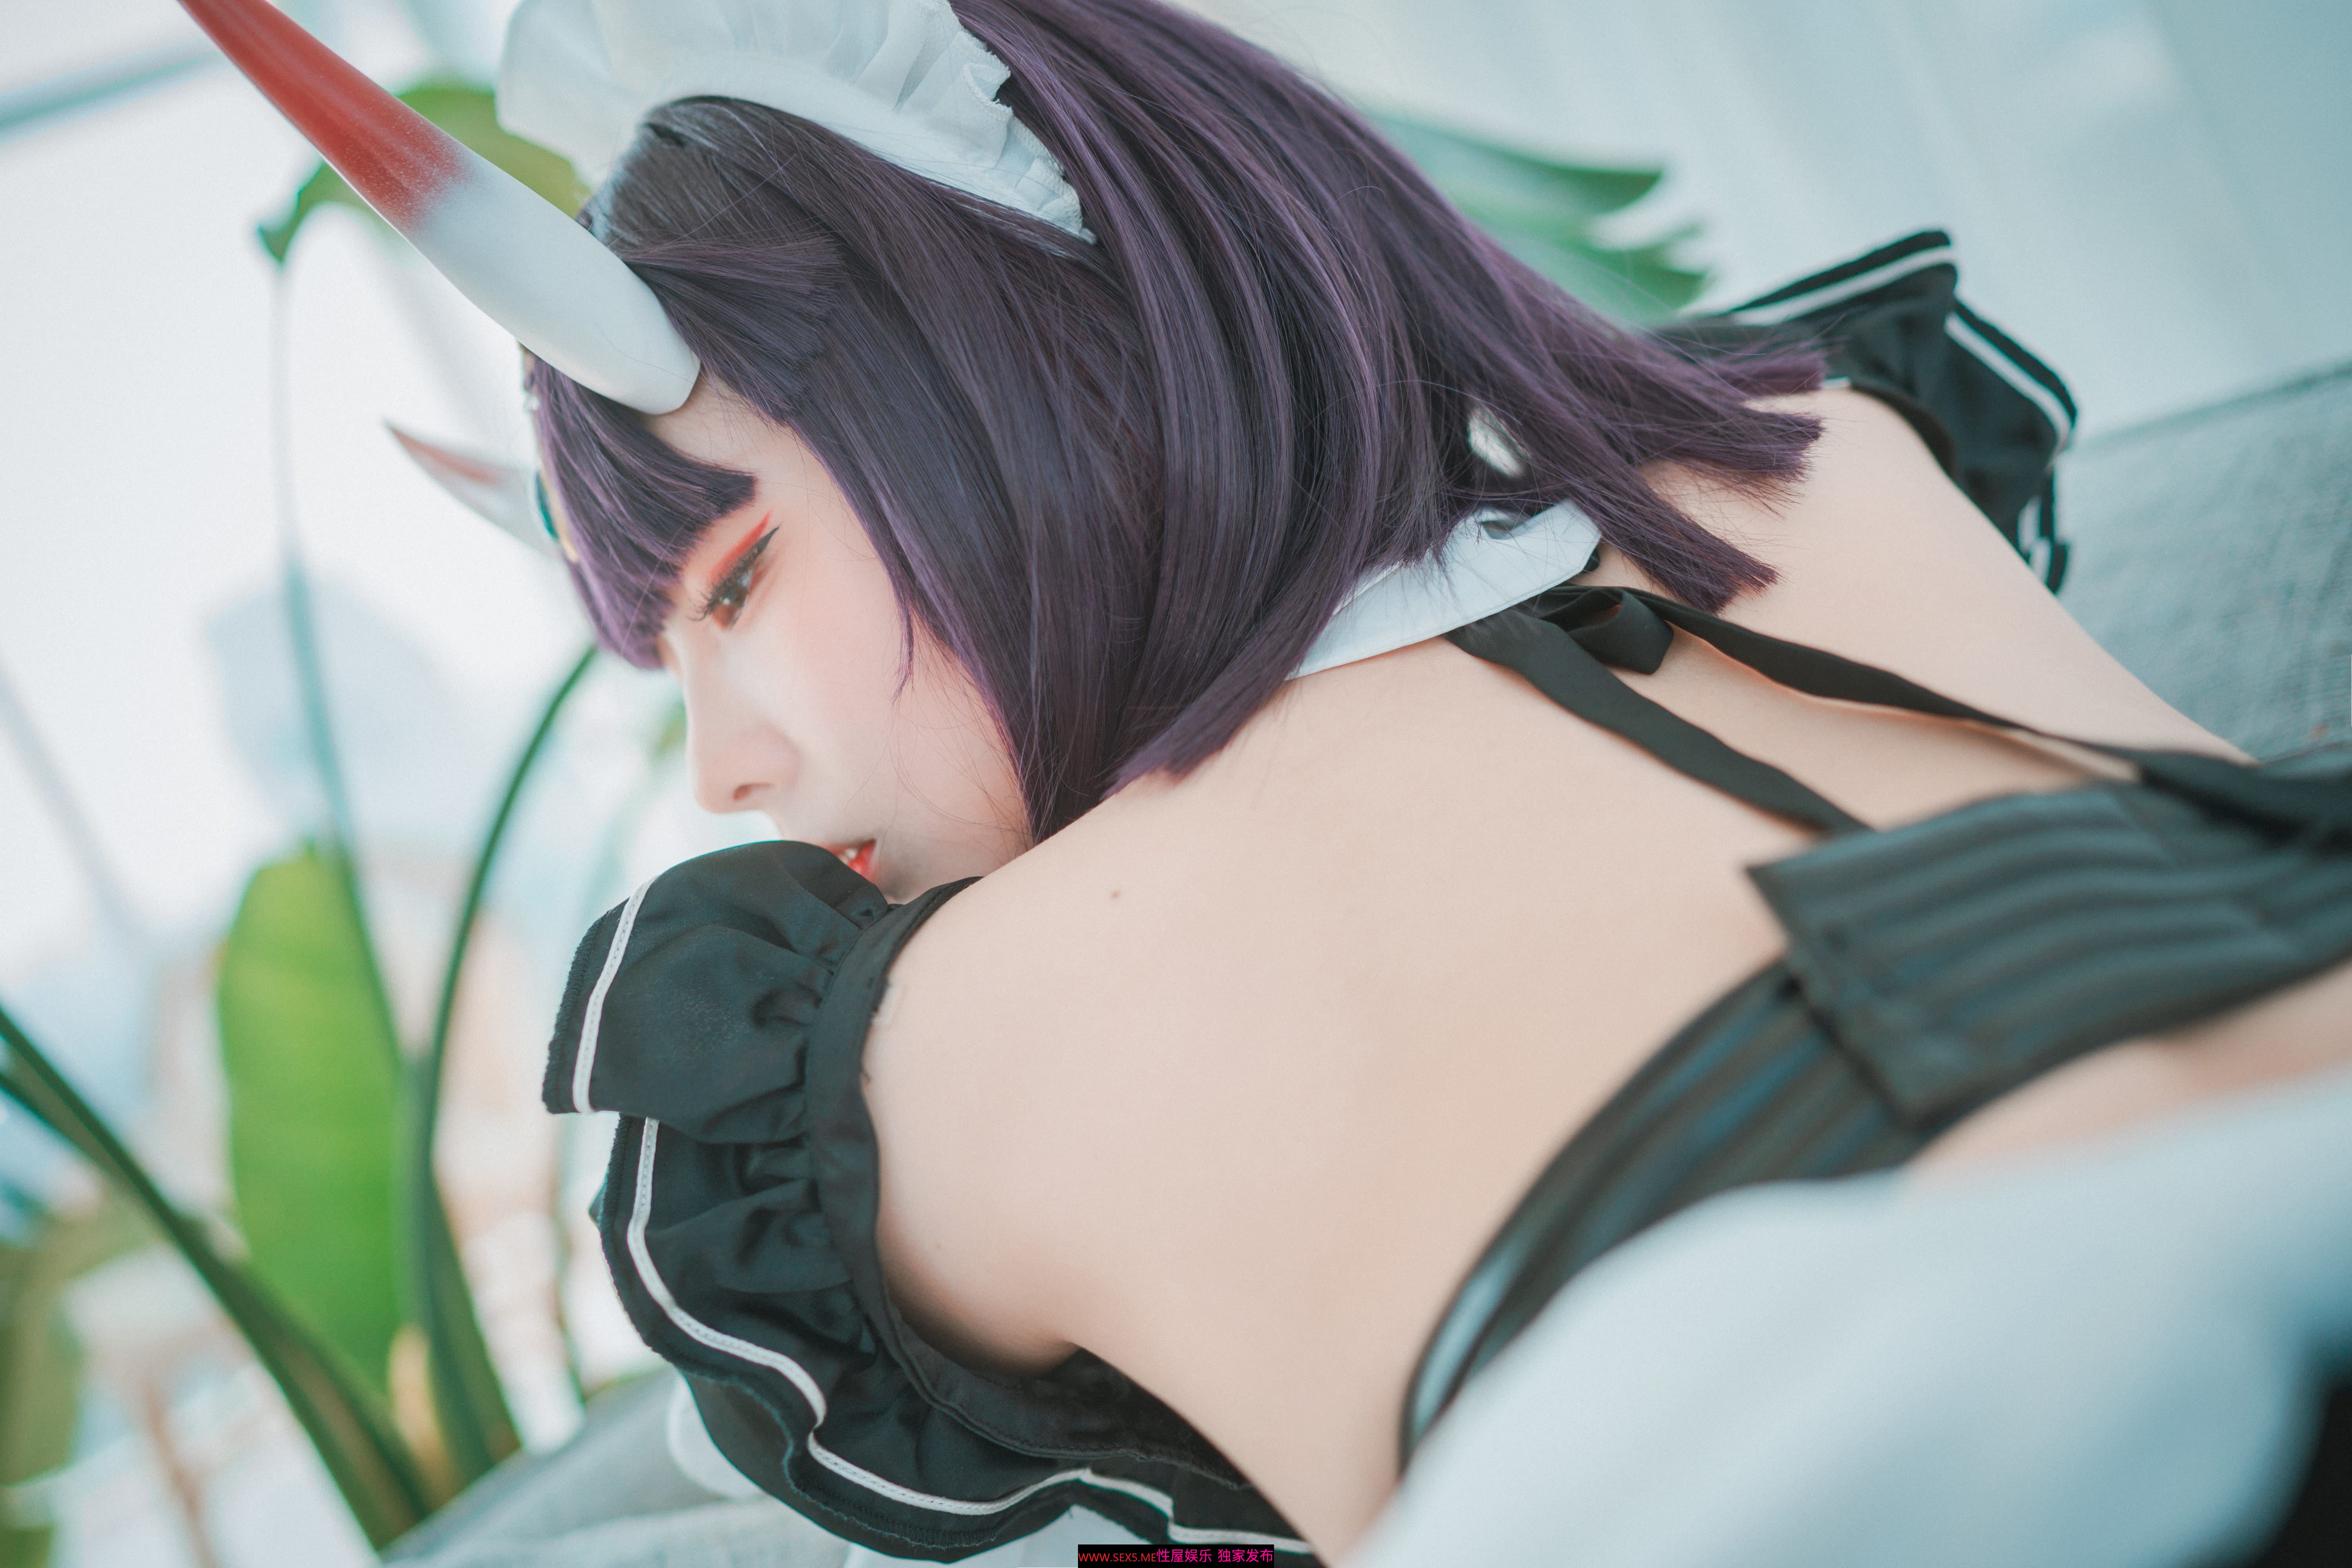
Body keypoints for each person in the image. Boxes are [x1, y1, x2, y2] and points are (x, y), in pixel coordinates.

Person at [178, 0, 2352, 1561]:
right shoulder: (1822, 468)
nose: (728, 771)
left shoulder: (930, 1038)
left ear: (1027, 370)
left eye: (737, 580)